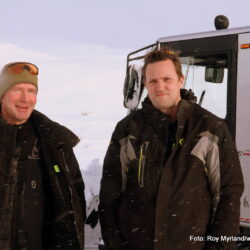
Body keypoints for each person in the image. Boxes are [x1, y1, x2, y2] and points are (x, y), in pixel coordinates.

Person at [99, 49, 244, 250]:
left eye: (167, 79)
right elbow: (109, 196)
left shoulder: (209, 128)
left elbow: (228, 195)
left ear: (180, 80)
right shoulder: (128, 129)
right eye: (153, 81)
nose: (160, 87)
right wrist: (115, 244)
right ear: (145, 84)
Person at [0, 62, 86, 250]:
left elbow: (73, 205)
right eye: (17, 89)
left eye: (31, 91)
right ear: (2, 95)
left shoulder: (54, 144)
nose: (25, 98)